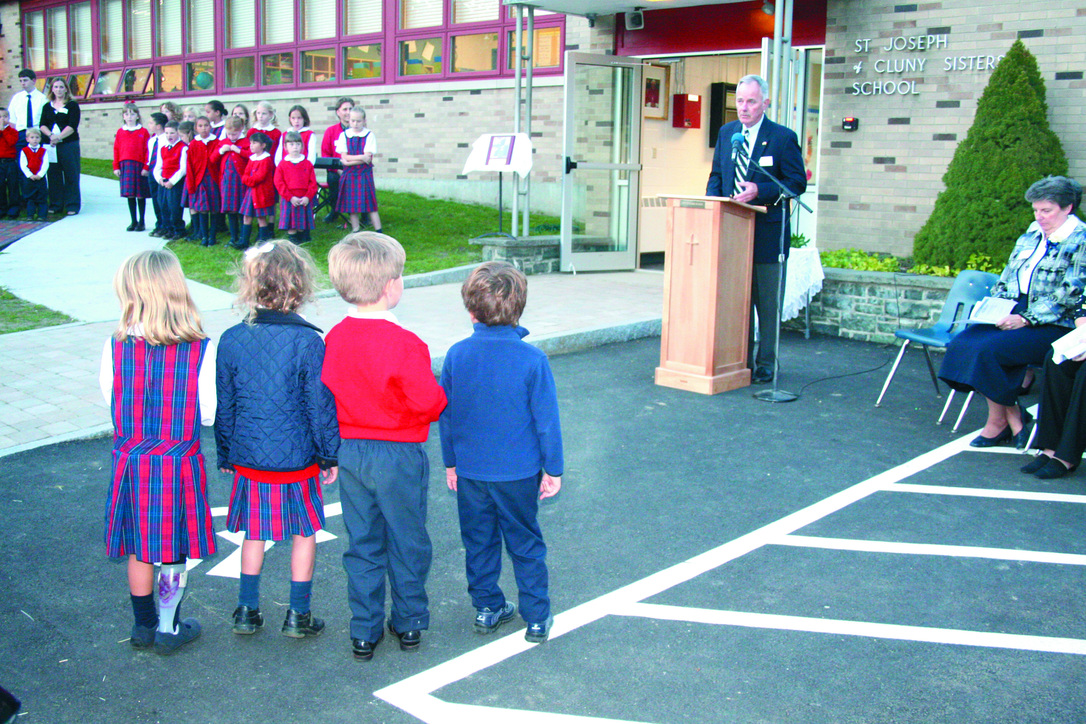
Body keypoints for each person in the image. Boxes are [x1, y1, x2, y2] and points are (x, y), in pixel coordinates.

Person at [321, 232, 447, 661]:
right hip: (397, 454)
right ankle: (409, 621)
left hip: (352, 451)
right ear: (392, 285)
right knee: (407, 537)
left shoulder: (334, 338)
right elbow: (430, 402)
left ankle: (364, 628)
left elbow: (329, 392)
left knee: (363, 541)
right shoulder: (406, 344)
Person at [215, 240, 340, 638]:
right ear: (300, 288)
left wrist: (225, 452)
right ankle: (298, 615)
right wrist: (328, 455)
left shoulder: (232, 338)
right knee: (304, 532)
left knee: (254, 532)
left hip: (249, 457)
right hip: (297, 459)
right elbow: (318, 407)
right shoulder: (307, 342)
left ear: (250, 286)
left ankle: (247, 611)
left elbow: (226, 403)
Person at [98, 249, 217, 655]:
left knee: (139, 546)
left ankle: (142, 625)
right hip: (177, 461)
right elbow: (209, 411)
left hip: (132, 460)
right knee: (173, 549)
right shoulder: (200, 348)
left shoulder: (114, 345)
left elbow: (109, 399)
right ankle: (168, 627)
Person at [439, 262, 564, 644]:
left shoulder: (457, 355)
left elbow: (448, 415)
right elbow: (546, 421)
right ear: (519, 307)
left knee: (479, 540)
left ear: (471, 309)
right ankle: (537, 617)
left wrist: (451, 462)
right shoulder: (532, 359)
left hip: (473, 470)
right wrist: (553, 468)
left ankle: (487, 606)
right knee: (525, 542)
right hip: (518, 473)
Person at [940, 176, 1086, 449]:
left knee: (989, 352)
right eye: (1035, 210)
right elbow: (1007, 279)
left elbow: (1071, 293)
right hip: (1015, 310)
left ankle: (1000, 423)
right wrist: (995, 307)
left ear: (1068, 208)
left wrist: (1026, 318)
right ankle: (1012, 417)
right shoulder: (1030, 235)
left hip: (1055, 323)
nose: (1039, 216)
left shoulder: (1082, 239)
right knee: (963, 343)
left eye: (1046, 210)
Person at [706, 74, 807, 385]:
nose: (744, 108)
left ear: (765, 103)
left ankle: (767, 364)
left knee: (767, 305)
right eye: (739, 101)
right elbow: (717, 175)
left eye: (751, 101)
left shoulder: (782, 137)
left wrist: (759, 190)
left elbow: (796, 183)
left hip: (766, 235)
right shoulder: (727, 133)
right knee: (737, 302)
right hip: (732, 235)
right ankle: (741, 361)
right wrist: (711, 207)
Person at [335, 107, 382, 234]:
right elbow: (344, 156)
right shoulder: (344, 135)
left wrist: (348, 162)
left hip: (364, 174)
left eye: (359, 121)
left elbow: (368, 158)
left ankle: (379, 232)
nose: (355, 124)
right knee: (352, 206)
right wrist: (361, 157)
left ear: (364, 121)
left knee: (370, 204)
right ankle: (356, 231)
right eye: (353, 121)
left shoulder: (369, 135)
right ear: (349, 120)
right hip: (350, 175)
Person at [39, 78, 81, 215]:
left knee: (71, 175)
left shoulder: (72, 105)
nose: (58, 90)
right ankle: (56, 205)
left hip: (68, 145)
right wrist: (51, 136)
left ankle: (72, 205)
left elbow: (72, 126)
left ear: (66, 89)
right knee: (53, 175)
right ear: (52, 89)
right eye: (56, 87)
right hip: (50, 145)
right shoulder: (47, 107)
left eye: (61, 87)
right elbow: (42, 125)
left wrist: (59, 137)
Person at [273, 130, 318, 244]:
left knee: (302, 221)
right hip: (289, 198)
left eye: (298, 144)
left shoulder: (307, 164)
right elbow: (278, 182)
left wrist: (308, 197)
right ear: (285, 147)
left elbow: (312, 182)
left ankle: (303, 238)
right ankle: (293, 240)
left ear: (302, 146)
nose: (295, 147)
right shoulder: (282, 164)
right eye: (291, 144)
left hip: (304, 197)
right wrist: (289, 197)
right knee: (291, 222)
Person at [113, 102, 150, 232]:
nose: (129, 117)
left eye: (132, 114)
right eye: (126, 114)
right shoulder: (120, 132)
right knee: (130, 194)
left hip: (139, 165)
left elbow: (147, 150)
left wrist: (146, 166)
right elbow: (116, 149)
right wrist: (116, 166)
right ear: (123, 116)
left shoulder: (143, 132)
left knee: (140, 194)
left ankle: (142, 221)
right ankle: (133, 220)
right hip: (125, 165)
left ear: (137, 116)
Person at [186, 116, 220, 246]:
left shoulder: (216, 142)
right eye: (200, 126)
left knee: (214, 208)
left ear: (210, 127)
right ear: (196, 128)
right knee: (203, 208)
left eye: (206, 125)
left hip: (213, 179)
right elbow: (190, 165)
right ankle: (204, 236)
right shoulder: (194, 144)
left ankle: (212, 236)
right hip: (199, 180)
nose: (203, 128)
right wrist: (191, 184)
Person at [319, 97, 354, 223]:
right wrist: (338, 170)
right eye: (345, 109)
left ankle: (364, 215)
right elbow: (326, 153)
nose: (348, 112)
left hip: (355, 169)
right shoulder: (331, 131)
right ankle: (334, 211)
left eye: (351, 109)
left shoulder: (359, 131)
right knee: (333, 179)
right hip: (336, 169)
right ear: (338, 112)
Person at [218, 117, 250, 249]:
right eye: (229, 134)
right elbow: (213, 158)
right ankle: (233, 237)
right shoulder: (223, 142)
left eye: (234, 134)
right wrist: (222, 150)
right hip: (227, 180)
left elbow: (250, 155)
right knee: (230, 210)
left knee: (241, 210)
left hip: (241, 180)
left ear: (241, 129)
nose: (231, 137)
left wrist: (238, 150)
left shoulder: (246, 141)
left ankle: (243, 237)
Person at [239, 131, 276, 247]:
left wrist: (248, 180)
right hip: (251, 192)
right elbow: (244, 174)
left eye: (255, 143)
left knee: (261, 217)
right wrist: (248, 180)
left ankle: (263, 241)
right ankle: (244, 241)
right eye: (251, 143)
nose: (251, 145)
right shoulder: (252, 158)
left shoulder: (266, 160)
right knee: (247, 216)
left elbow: (259, 177)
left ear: (263, 145)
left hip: (261, 193)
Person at [153, 120, 187, 240]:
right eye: (167, 133)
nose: (169, 136)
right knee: (163, 205)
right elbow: (158, 166)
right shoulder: (163, 148)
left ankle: (178, 229)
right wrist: (160, 178)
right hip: (164, 181)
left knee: (174, 207)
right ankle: (168, 228)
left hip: (175, 183)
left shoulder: (183, 148)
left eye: (172, 133)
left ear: (178, 133)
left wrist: (172, 181)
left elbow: (183, 168)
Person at [7, 69, 46, 151]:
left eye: (25, 80)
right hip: (21, 133)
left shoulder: (42, 98)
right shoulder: (16, 98)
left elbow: (46, 119)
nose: (23, 83)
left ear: (33, 80)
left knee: (37, 160)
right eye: (20, 81)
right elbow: (12, 119)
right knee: (20, 159)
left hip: (37, 132)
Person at [145, 112, 168, 237]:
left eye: (151, 123)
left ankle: (166, 224)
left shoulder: (166, 139)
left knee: (162, 199)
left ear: (159, 126)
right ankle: (159, 224)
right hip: (152, 171)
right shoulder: (152, 140)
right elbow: (150, 157)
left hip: (162, 171)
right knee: (155, 199)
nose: (149, 125)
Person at [18, 128, 48, 221]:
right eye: (32, 137)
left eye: (37, 137)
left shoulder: (43, 151)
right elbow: (23, 164)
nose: (34, 139)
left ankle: (42, 215)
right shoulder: (24, 151)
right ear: (27, 139)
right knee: (30, 197)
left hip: (40, 178)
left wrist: (40, 174)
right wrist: (29, 174)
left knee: (42, 197)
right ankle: (30, 214)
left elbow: (45, 164)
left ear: (40, 139)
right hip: (29, 178)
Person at [0, 109, 20, 219]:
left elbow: (11, 142)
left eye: (5, 116)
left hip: (10, 162)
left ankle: (14, 208)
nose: (2, 119)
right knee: (0, 186)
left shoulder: (12, 131)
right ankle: (2, 208)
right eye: (0, 117)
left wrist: (3, 130)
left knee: (12, 186)